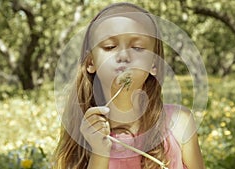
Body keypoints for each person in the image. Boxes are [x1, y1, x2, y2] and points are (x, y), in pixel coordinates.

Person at [53, 2, 205, 169]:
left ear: (154, 63)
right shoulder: (82, 130)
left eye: (138, 48)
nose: (123, 55)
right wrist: (99, 151)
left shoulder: (179, 123)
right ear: (90, 62)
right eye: (110, 47)